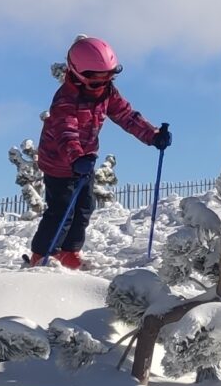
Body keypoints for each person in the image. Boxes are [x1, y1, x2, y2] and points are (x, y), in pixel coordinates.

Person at [27, 36, 169, 268]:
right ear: (79, 74)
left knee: (85, 207)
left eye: (108, 78)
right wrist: (76, 157)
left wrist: (152, 135)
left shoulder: (107, 92)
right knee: (62, 210)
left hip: (85, 160)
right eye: (96, 82)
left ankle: (69, 251)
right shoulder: (65, 99)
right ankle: (42, 255)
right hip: (59, 162)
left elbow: (126, 115)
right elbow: (66, 132)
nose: (102, 85)